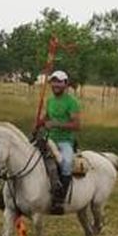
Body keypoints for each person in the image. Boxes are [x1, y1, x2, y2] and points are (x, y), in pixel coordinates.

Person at [37, 69, 81, 214]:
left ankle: (59, 200)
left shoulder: (72, 102)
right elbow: (47, 117)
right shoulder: (50, 100)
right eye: (53, 81)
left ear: (66, 84)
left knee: (66, 164)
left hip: (65, 141)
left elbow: (76, 125)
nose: (55, 84)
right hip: (49, 138)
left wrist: (56, 124)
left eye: (59, 81)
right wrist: (40, 122)